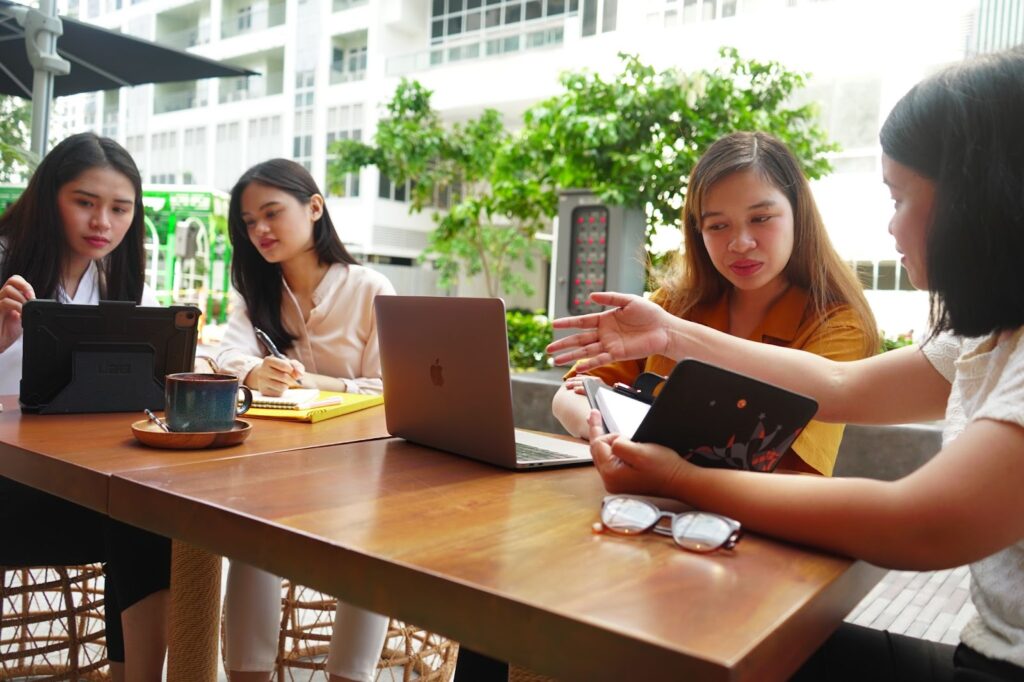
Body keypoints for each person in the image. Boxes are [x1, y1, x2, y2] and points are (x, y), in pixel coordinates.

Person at [548, 47, 1024, 681]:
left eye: (900, 197)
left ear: (980, 201)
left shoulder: (838, 316)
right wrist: (670, 331)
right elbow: (839, 385)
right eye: (716, 226)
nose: (891, 226)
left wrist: (678, 479)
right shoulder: (988, 338)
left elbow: (923, 523)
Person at [553, 131, 878, 476]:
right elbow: (568, 397)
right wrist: (605, 428)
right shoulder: (674, 303)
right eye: (718, 225)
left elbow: (788, 474)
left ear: (799, 213)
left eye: (761, 218)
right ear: (698, 231)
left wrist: (641, 441)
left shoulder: (835, 326)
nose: (740, 243)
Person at [216, 158, 396, 682]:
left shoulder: (369, 287)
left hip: (359, 466)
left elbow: (387, 388)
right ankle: (248, 674)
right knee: (250, 533)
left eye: (271, 213)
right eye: (248, 223)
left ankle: (350, 675)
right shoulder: (257, 291)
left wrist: (314, 384)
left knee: (371, 545)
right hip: (278, 464)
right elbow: (224, 356)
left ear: (314, 207)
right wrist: (254, 370)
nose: (260, 231)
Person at [0, 132, 170, 681]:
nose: (104, 222)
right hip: (9, 484)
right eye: (85, 202)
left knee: (148, 516)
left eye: (120, 208)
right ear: (50, 196)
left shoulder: (115, 283)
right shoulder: (5, 261)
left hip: (69, 481)